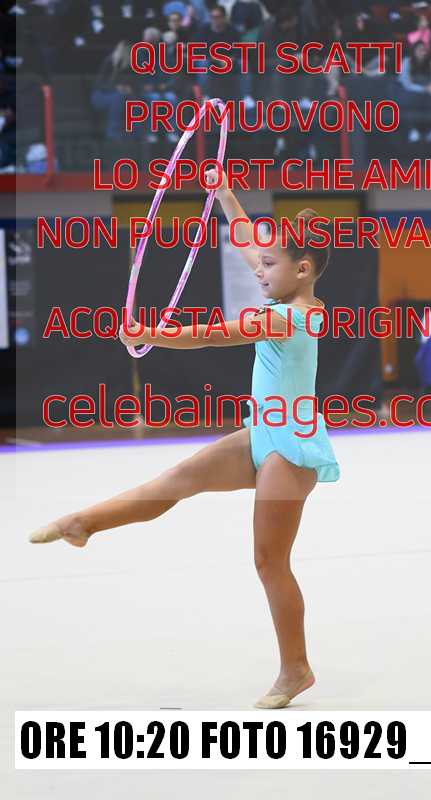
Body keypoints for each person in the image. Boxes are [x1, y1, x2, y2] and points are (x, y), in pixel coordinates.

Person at [28, 170, 341, 711]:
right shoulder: (285, 292)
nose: (258, 270)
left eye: (269, 265)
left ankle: (297, 669)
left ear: (302, 269)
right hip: (264, 431)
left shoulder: (293, 318)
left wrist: (151, 333)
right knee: (176, 480)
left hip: (290, 447)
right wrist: (225, 195)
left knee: (269, 562)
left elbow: (213, 335)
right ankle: (82, 524)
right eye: (261, 263)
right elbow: (247, 244)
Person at [397, 40, 431, 142]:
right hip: (408, 92)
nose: (422, 52)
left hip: (425, 92)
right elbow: (406, 84)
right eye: (419, 50)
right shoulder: (407, 61)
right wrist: (424, 89)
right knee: (412, 99)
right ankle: (413, 130)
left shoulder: (430, 63)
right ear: (414, 51)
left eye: (424, 50)